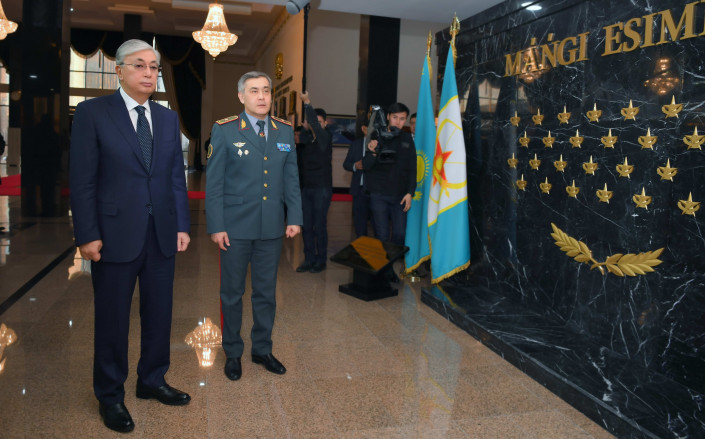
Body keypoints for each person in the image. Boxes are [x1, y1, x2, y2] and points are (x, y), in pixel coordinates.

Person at [70, 39, 191, 434]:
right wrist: (87, 234)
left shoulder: (168, 118)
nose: (149, 73)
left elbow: (175, 177)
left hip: (161, 235)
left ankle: (152, 379)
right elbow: (83, 180)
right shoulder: (92, 113)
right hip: (113, 234)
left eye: (154, 67)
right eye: (140, 65)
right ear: (119, 70)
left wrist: (182, 225)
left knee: (159, 315)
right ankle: (110, 395)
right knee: (112, 320)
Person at [205, 71, 302, 382]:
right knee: (232, 293)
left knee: (266, 293)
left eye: (266, 91)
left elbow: (291, 178)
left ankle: (262, 349)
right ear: (241, 96)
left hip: (270, 228)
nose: (262, 96)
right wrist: (216, 225)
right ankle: (233, 352)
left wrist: (294, 217)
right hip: (234, 228)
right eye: (254, 91)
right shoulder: (225, 130)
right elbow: (214, 184)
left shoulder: (284, 131)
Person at [362, 102, 416, 246]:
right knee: (382, 235)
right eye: (395, 117)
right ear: (388, 117)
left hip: (400, 196)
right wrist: (373, 152)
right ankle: (385, 262)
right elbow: (366, 165)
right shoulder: (376, 135)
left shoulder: (407, 139)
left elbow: (412, 168)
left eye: (402, 119)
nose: (398, 122)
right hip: (379, 194)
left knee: (400, 234)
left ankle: (392, 259)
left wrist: (410, 192)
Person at [295, 92, 332, 273]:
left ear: (325, 124)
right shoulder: (308, 140)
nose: (315, 124)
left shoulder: (325, 138)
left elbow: (315, 126)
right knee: (307, 226)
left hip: (321, 189)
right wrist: (304, 128)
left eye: (319, 122)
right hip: (307, 189)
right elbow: (301, 138)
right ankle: (309, 259)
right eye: (313, 122)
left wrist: (307, 103)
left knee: (319, 226)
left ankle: (321, 260)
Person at [343, 120, 374, 238]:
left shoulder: (380, 144)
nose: (371, 131)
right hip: (359, 189)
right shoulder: (356, 144)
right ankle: (361, 245)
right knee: (359, 223)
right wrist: (354, 166)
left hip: (375, 190)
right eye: (369, 128)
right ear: (363, 129)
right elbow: (346, 164)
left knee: (377, 223)